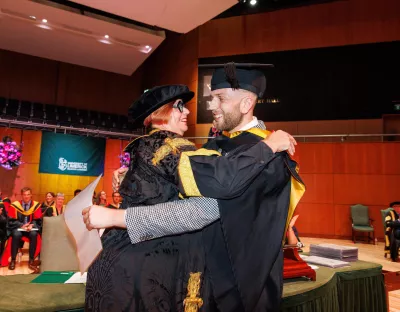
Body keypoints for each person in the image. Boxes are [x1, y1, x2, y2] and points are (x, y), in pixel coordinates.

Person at [84, 64, 304, 311]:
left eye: (219, 98)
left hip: (237, 288)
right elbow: (186, 185)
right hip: (204, 281)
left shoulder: (269, 156)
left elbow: (201, 210)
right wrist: (137, 180)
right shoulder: (219, 146)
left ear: (245, 105)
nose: (210, 106)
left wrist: (117, 216)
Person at [6, 187, 42, 270]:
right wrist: (21, 225)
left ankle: (31, 260)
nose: (26, 196)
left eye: (28, 194)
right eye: (24, 195)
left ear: (31, 195)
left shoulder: (35, 205)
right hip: (18, 228)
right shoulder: (15, 205)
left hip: (30, 229)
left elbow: (38, 220)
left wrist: (32, 225)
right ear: (21, 195)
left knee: (34, 234)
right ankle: (13, 260)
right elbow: (11, 220)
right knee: (16, 234)